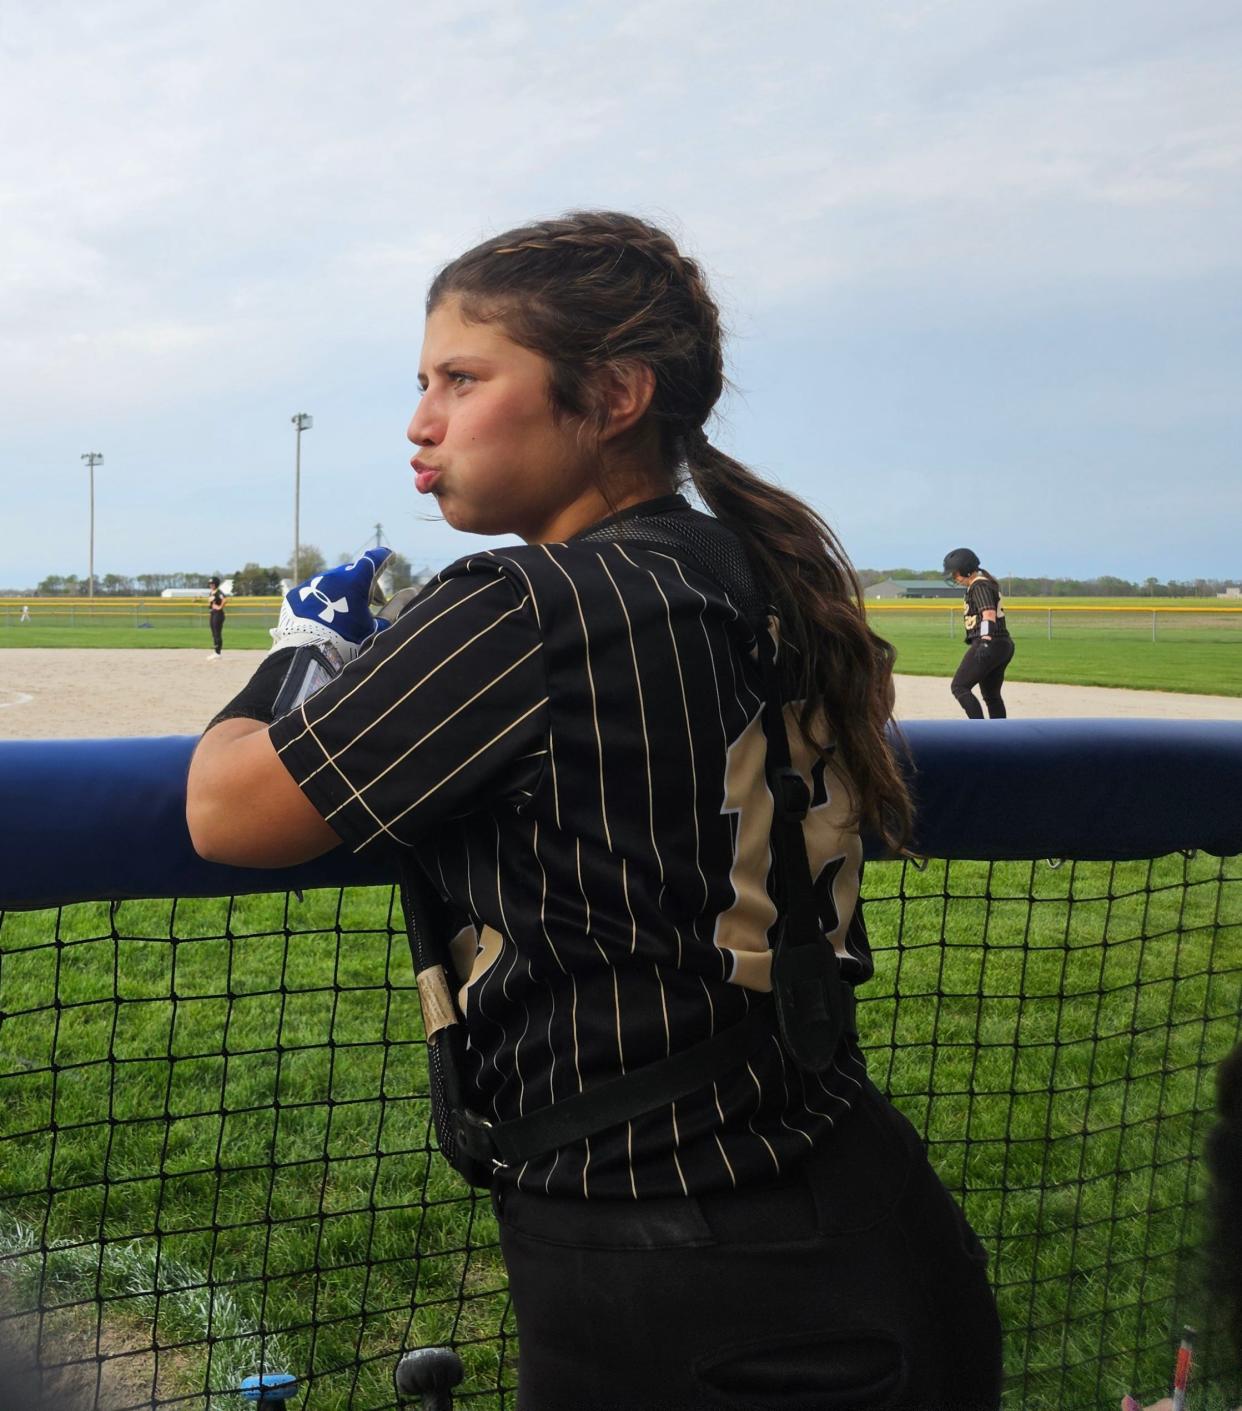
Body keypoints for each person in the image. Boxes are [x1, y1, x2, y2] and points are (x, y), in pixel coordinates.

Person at [186, 211, 1003, 1411]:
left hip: (674, 1270)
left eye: (462, 379)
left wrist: (299, 655)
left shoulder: (530, 603)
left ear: (615, 393)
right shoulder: (765, 571)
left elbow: (227, 809)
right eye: (422, 383)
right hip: (866, 1200)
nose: (421, 421)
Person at [943, 547, 1014, 719]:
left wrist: (985, 640)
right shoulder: (984, 583)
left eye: (955, 573)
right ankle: (999, 735)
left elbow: (988, 613)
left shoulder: (979, 585)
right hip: (1002, 643)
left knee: (959, 686)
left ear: (966, 570)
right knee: (991, 695)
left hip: (991, 642)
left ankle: (979, 730)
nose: (954, 578)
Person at [206, 576, 226, 658]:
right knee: (214, 633)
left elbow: (225, 599)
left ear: (216, 584)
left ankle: (218, 652)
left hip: (218, 614)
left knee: (217, 633)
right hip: (213, 613)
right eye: (210, 584)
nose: (211, 585)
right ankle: (216, 651)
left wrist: (220, 607)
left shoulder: (218, 592)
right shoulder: (211, 592)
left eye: (212, 584)